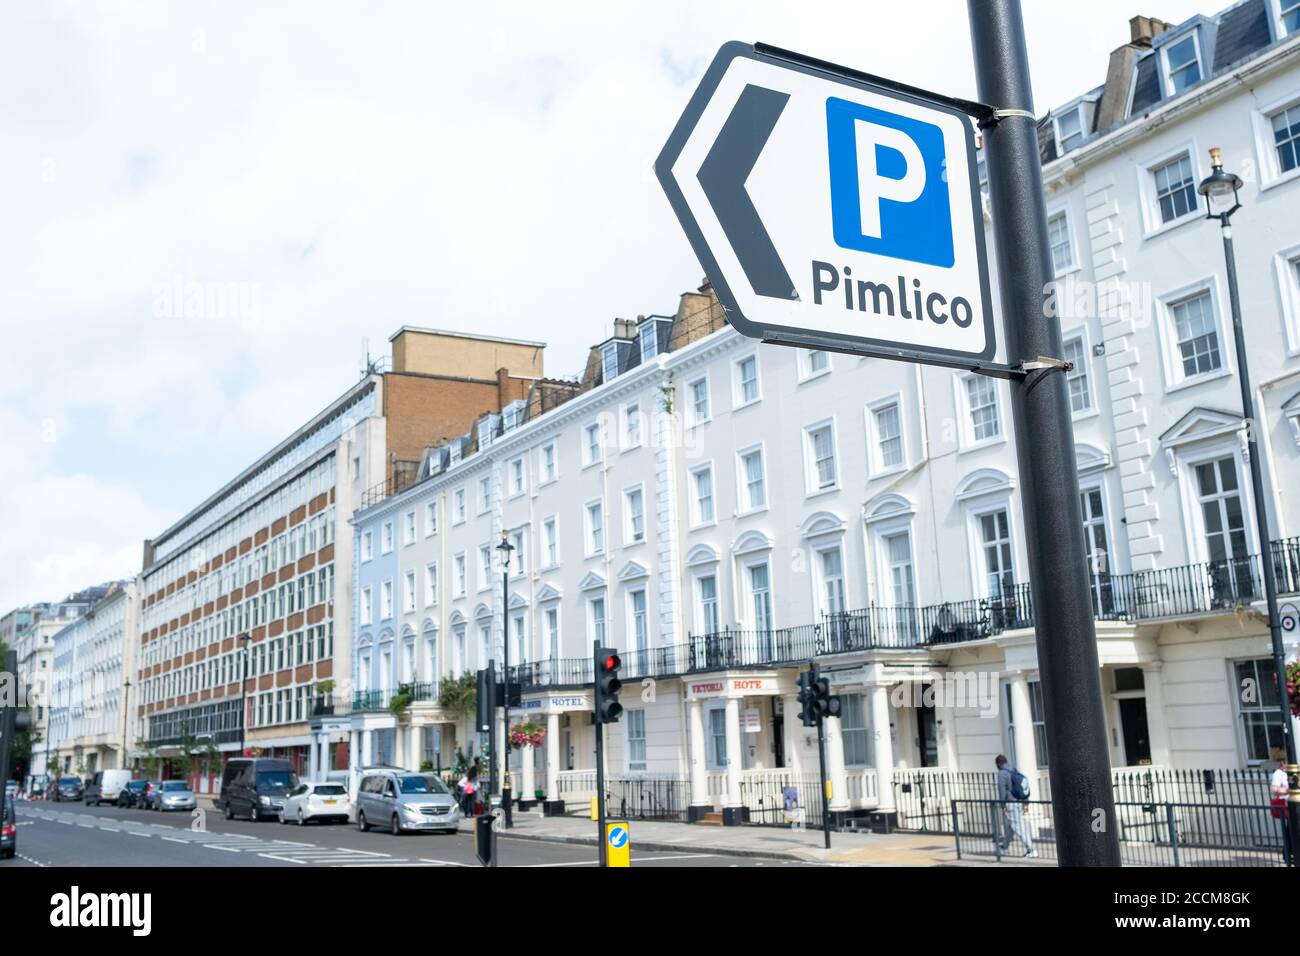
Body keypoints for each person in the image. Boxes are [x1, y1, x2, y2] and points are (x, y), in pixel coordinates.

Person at [995, 754, 1038, 858]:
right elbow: (1022, 785)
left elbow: (1002, 791)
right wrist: (1026, 802)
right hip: (1019, 802)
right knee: (1011, 827)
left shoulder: (1002, 773)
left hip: (1011, 804)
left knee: (1019, 827)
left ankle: (1032, 850)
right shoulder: (1013, 770)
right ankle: (1004, 848)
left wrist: (1003, 805)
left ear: (999, 764)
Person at [1270, 747, 1292, 865]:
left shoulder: (1287, 773)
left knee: (1291, 831)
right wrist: (1289, 790)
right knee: (1290, 831)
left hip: (1292, 805)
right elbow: (1275, 790)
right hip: (1286, 805)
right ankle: (1287, 854)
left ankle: (1287, 853)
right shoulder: (1278, 774)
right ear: (1281, 762)